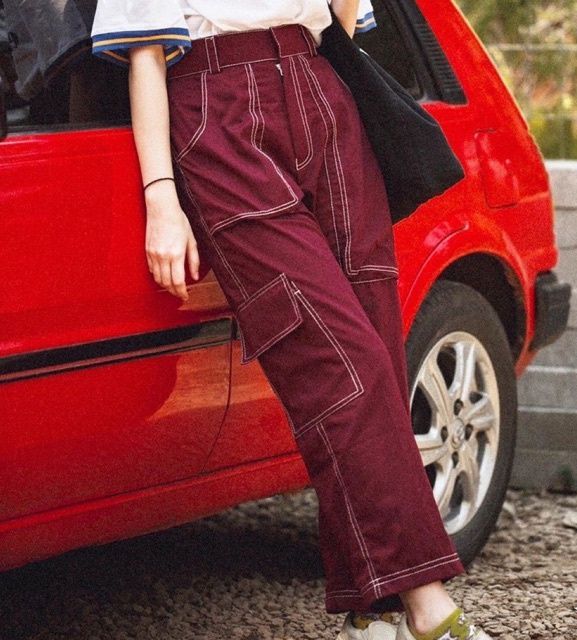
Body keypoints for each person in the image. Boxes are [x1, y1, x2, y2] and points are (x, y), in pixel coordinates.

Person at [90, 2, 492, 639]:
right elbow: (145, 55)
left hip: (323, 93)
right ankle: (429, 608)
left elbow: (343, 19)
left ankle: (374, 611)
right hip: (218, 113)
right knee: (340, 360)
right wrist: (161, 197)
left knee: (378, 354)